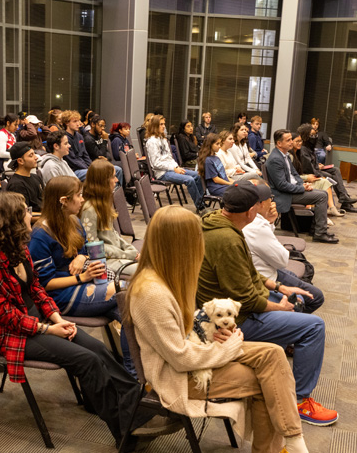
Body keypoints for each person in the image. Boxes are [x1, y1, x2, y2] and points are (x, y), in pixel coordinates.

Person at [126, 205, 311, 453]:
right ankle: (284, 445)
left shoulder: (166, 276)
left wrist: (216, 336)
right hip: (178, 377)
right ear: (179, 244)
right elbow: (180, 359)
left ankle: (293, 439)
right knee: (267, 383)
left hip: (197, 353)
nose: (201, 244)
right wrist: (229, 347)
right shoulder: (152, 293)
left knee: (274, 354)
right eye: (196, 238)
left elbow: (186, 332)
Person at [0, 192, 147, 445]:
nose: (31, 214)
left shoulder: (18, 247)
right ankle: (124, 431)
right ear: (10, 219)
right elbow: (6, 317)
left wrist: (56, 318)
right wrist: (49, 329)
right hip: (15, 332)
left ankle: (138, 411)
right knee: (86, 360)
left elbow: (37, 290)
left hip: (40, 319)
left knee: (98, 349)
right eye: (25, 210)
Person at [197, 182, 337, 428]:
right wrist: (279, 307)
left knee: (301, 298)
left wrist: (279, 288)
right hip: (233, 321)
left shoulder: (218, 223)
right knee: (314, 326)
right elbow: (247, 300)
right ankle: (300, 402)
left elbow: (248, 272)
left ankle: (283, 352)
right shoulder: (227, 238)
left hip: (233, 307)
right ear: (252, 211)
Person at [28, 176, 119, 318]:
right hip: (61, 296)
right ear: (64, 201)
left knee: (127, 311)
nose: (82, 199)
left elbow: (89, 250)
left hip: (82, 281)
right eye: (78, 195)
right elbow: (44, 284)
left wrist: (82, 257)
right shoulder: (40, 235)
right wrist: (82, 277)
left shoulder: (74, 220)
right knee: (126, 290)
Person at [242, 180, 324, 313]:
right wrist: (267, 225)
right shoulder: (256, 226)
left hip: (267, 269)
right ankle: (295, 322)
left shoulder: (256, 222)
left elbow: (268, 247)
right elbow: (282, 261)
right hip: (266, 274)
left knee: (296, 277)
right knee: (316, 297)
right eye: (271, 198)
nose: (273, 203)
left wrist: (269, 222)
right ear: (262, 204)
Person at [267, 130, 337, 244]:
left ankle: (316, 229)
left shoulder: (285, 156)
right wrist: (301, 188)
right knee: (321, 196)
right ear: (279, 143)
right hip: (284, 195)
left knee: (323, 193)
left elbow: (295, 175)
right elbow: (281, 185)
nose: (291, 142)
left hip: (291, 190)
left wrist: (303, 184)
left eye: (291, 139)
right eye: (288, 140)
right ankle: (320, 233)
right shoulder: (275, 159)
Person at [81, 159, 138, 276]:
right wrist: (127, 254)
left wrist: (130, 249)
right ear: (102, 181)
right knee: (147, 270)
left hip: (117, 254)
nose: (116, 180)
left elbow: (114, 235)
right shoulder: (89, 210)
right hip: (107, 261)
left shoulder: (103, 203)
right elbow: (94, 249)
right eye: (113, 177)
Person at [144, 115, 206, 213]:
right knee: (190, 180)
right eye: (161, 124)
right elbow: (155, 164)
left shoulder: (163, 139)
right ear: (155, 125)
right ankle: (201, 207)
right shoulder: (151, 142)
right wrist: (174, 168)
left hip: (171, 169)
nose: (164, 126)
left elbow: (170, 157)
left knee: (198, 175)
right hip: (162, 173)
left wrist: (176, 166)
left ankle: (202, 202)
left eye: (164, 124)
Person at [297, 124, 357, 214]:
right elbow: (309, 169)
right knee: (330, 176)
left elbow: (311, 163)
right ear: (305, 136)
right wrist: (318, 168)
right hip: (310, 173)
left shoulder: (309, 148)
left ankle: (344, 197)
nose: (315, 137)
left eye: (315, 135)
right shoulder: (303, 150)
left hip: (315, 169)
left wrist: (318, 165)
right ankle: (345, 201)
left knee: (335, 170)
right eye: (312, 135)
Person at [290, 130, 344, 219]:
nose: (300, 143)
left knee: (326, 181)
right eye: (297, 141)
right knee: (323, 181)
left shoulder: (299, 153)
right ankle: (320, 217)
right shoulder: (290, 156)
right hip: (297, 184)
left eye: (300, 141)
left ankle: (332, 208)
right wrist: (306, 179)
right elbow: (291, 176)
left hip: (302, 179)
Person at [6, 142, 43, 213]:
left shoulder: (36, 177)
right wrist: (48, 217)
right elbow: (23, 214)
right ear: (20, 161)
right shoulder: (16, 185)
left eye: (34, 153)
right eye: (31, 155)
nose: (36, 157)